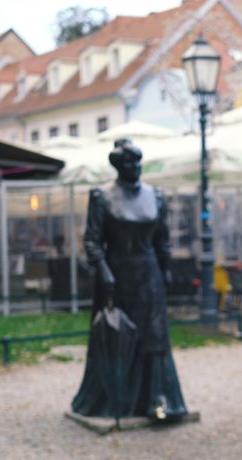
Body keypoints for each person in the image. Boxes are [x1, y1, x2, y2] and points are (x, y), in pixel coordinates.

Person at [71, 139, 188, 420]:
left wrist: (166, 269)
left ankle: (156, 397)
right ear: (118, 166)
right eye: (128, 163)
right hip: (117, 275)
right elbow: (93, 241)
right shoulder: (102, 196)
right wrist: (105, 274)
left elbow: (162, 239)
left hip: (149, 274)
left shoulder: (155, 195)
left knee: (154, 337)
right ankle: (117, 396)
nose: (134, 168)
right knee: (119, 337)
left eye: (137, 163)